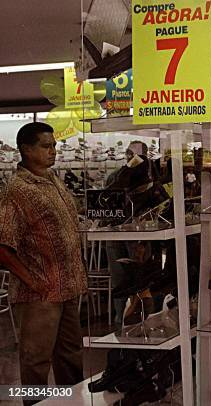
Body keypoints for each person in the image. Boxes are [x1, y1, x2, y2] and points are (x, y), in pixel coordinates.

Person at [0, 123, 87, 400]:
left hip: (68, 287)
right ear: (26, 149)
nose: (53, 151)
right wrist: (33, 281)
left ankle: (73, 403)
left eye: (54, 145)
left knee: (71, 358)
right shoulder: (17, 190)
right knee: (36, 361)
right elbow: (3, 247)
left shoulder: (54, 180)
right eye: (46, 146)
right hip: (40, 294)